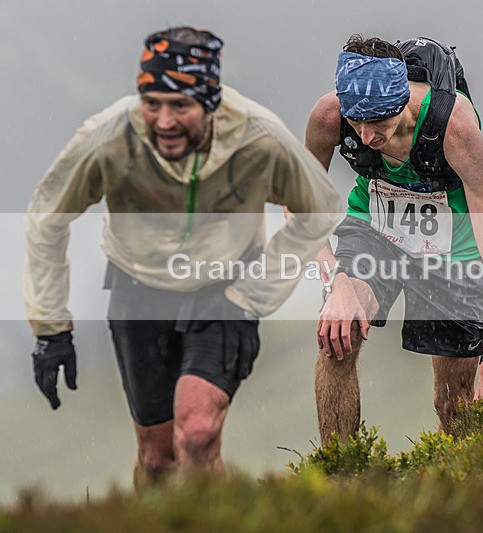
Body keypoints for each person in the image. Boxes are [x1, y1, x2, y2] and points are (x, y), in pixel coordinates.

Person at [24, 26, 340, 487]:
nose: (164, 121)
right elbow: (44, 218)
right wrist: (51, 330)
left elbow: (319, 208)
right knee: (156, 459)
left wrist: (254, 292)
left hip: (225, 288)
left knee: (196, 433)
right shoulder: (110, 138)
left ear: (210, 103)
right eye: (152, 104)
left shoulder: (256, 138)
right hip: (138, 286)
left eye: (181, 106)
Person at [305, 35, 483, 444]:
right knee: (338, 337)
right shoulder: (329, 115)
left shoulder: (454, 129)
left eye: (378, 122)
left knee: (454, 403)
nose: (365, 137)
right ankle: (341, 477)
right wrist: (336, 284)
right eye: (356, 120)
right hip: (374, 230)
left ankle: (458, 488)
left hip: (454, 246)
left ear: (402, 101)